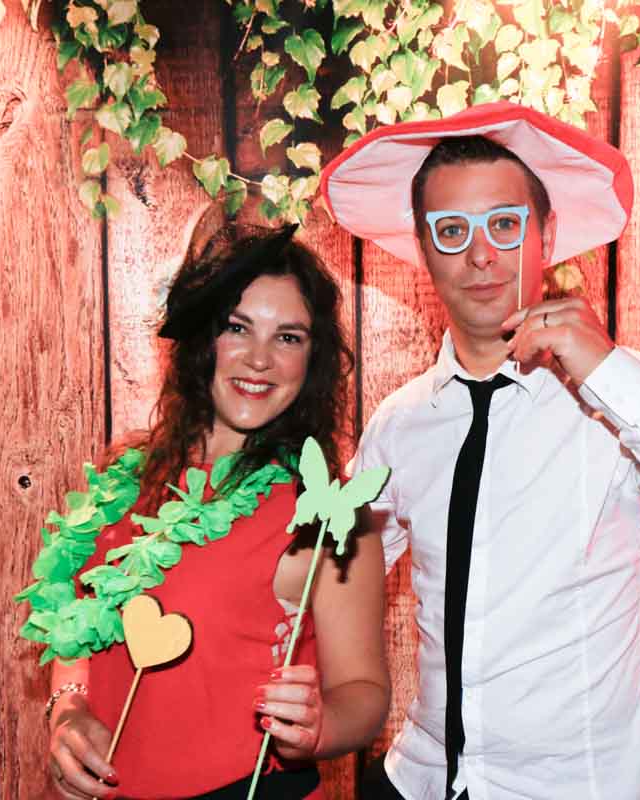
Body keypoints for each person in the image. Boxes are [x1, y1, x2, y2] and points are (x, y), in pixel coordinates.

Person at [319, 102, 640, 799]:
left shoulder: (623, 399)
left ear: (546, 236)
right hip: (421, 781)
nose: (482, 255)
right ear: (424, 250)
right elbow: (330, 577)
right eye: (453, 231)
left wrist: (607, 372)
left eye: (505, 225)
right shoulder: (399, 425)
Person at [40, 224, 390, 799]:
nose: (260, 359)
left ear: (313, 359)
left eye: (288, 337)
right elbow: (79, 630)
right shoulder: (124, 481)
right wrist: (68, 711)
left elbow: (365, 693)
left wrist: (319, 727)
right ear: (205, 338)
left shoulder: (325, 512)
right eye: (237, 327)